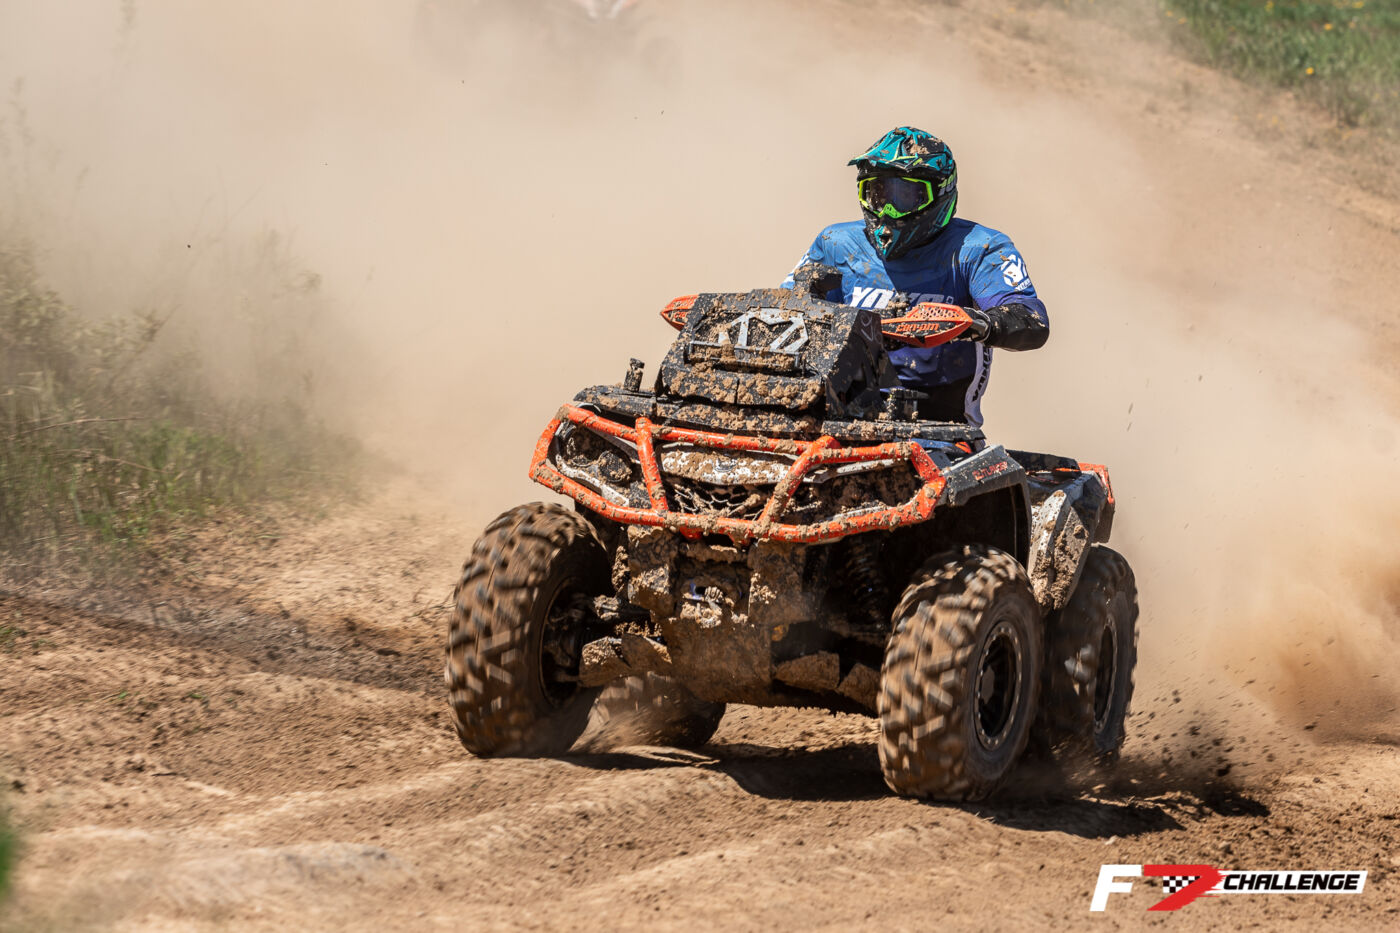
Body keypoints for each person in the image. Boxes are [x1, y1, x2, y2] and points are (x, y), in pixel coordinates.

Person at [784, 126, 1048, 426]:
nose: (888, 211)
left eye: (906, 196)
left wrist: (972, 323)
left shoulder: (979, 248)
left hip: (941, 427)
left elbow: (1032, 319)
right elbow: (788, 311)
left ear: (940, 193)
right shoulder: (836, 243)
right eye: (877, 194)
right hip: (838, 418)